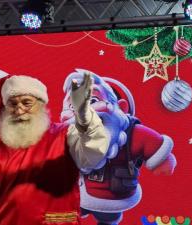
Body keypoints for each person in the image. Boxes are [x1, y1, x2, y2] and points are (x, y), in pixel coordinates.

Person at [0, 74, 111, 225]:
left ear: (41, 105)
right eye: (12, 104)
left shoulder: (65, 136)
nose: (19, 110)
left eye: (26, 102)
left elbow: (95, 152)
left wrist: (84, 116)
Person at [60, 70, 176, 225]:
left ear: (120, 107)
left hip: (114, 198)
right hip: (79, 194)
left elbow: (155, 146)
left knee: (108, 220)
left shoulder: (132, 133)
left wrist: (163, 161)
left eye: (93, 100)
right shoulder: (69, 136)